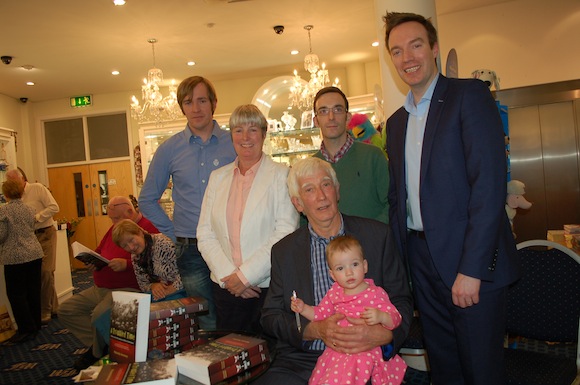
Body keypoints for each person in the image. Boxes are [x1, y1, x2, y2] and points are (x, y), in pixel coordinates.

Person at [383, 11, 520, 385]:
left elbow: (488, 187)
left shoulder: (468, 96)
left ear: (434, 48)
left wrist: (471, 269)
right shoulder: (395, 124)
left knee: (480, 371)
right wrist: (403, 271)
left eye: (415, 46)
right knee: (444, 370)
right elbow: (399, 202)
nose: (407, 58)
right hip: (422, 263)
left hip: (470, 262)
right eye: (397, 51)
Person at [256, 157, 412, 385]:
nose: (321, 196)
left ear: (337, 191)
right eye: (309, 189)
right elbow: (270, 316)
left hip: (365, 357)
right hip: (301, 360)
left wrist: (385, 335)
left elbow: (402, 301)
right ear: (298, 204)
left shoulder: (378, 237)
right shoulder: (284, 251)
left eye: (326, 184)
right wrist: (313, 330)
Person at [139, 76, 236, 330]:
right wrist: (174, 233)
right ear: (182, 107)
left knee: (235, 307)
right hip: (190, 248)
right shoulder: (169, 149)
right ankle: (211, 365)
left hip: (231, 243)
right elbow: (147, 199)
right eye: (188, 102)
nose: (196, 108)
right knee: (204, 316)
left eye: (202, 100)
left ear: (214, 103)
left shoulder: (234, 142)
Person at [197, 104, 299, 334]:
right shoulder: (217, 178)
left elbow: (285, 232)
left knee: (269, 357)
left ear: (264, 134)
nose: (245, 137)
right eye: (238, 130)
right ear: (231, 135)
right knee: (231, 359)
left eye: (253, 129)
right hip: (226, 289)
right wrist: (232, 279)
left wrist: (245, 276)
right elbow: (204, 234)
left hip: (265, 288)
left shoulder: (281, 175)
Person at [58, 196, 159, 370]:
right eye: (111, 218)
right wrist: (92, 260)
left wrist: (126, 264)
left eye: (116, 218)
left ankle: (96, 351)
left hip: (127, 288)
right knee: (66, 310)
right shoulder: (116, 228)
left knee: (98, 315)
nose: (113, 222)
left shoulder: (148, 229)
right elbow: (99, 250)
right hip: (100, 286)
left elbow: (153, 261)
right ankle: (104, 344)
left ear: (129, 211)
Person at [291, 235, 407, 385]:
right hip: (337, 353)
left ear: (365, 266)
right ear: (332, 274)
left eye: (354, 264)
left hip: (366, 350)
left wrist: (381, 317)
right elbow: (320, 314)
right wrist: (303, 308)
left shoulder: (375, 293)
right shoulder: (334, 293)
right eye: (340, 268)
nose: (349, 272)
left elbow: (395, 317)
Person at [312, 86, 390, 224]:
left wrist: (371, 237)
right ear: (316, 121)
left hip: (372, 243)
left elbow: (392, 204)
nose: (331, 117)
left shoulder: (373, 157)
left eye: (338, 110)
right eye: (323, 111)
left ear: (347, 117)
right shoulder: (310, 167)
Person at [6, 168, 60, 325]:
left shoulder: (37, 189)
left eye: (14, 182)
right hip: (30, 237)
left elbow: (54, 207)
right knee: (41, 274)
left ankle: (45, 310)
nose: (13, 185)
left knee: (46, 271)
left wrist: (36, 217)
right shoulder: (13, 199)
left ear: (22, 179)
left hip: (46, 233)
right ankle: (54, 306)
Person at [0, 179, 43, 343]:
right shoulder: (29, 209)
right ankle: (36, 324)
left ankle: (26, 328)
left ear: (6, 194)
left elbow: (1, 235)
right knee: (33, 290)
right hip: (34, 253)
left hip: (15, 256)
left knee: (16, 294)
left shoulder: (4, 212)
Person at [112, 219, 185, 302]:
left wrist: (171, 289)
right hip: (159, 294)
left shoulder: (165, 244)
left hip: (181, 290)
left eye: (131, 240)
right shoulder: (135, 256)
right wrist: (153, 286)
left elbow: (188, 271)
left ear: (140, 232)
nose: (131, 247)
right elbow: (143, 284)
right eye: (125, 246)